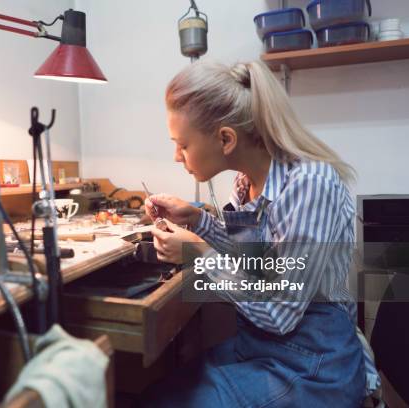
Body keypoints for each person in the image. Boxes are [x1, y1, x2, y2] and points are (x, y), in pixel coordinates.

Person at [141, 60, 380, 407]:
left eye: (183, 144)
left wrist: (197, 255)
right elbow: (256, 262)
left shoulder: (310, 185)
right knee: (155, 391)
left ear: (225, 139)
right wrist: (197, 221)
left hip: (314, 364)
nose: (177, 156)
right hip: (261, 346)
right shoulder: (247, 182)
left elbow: (280, 311)